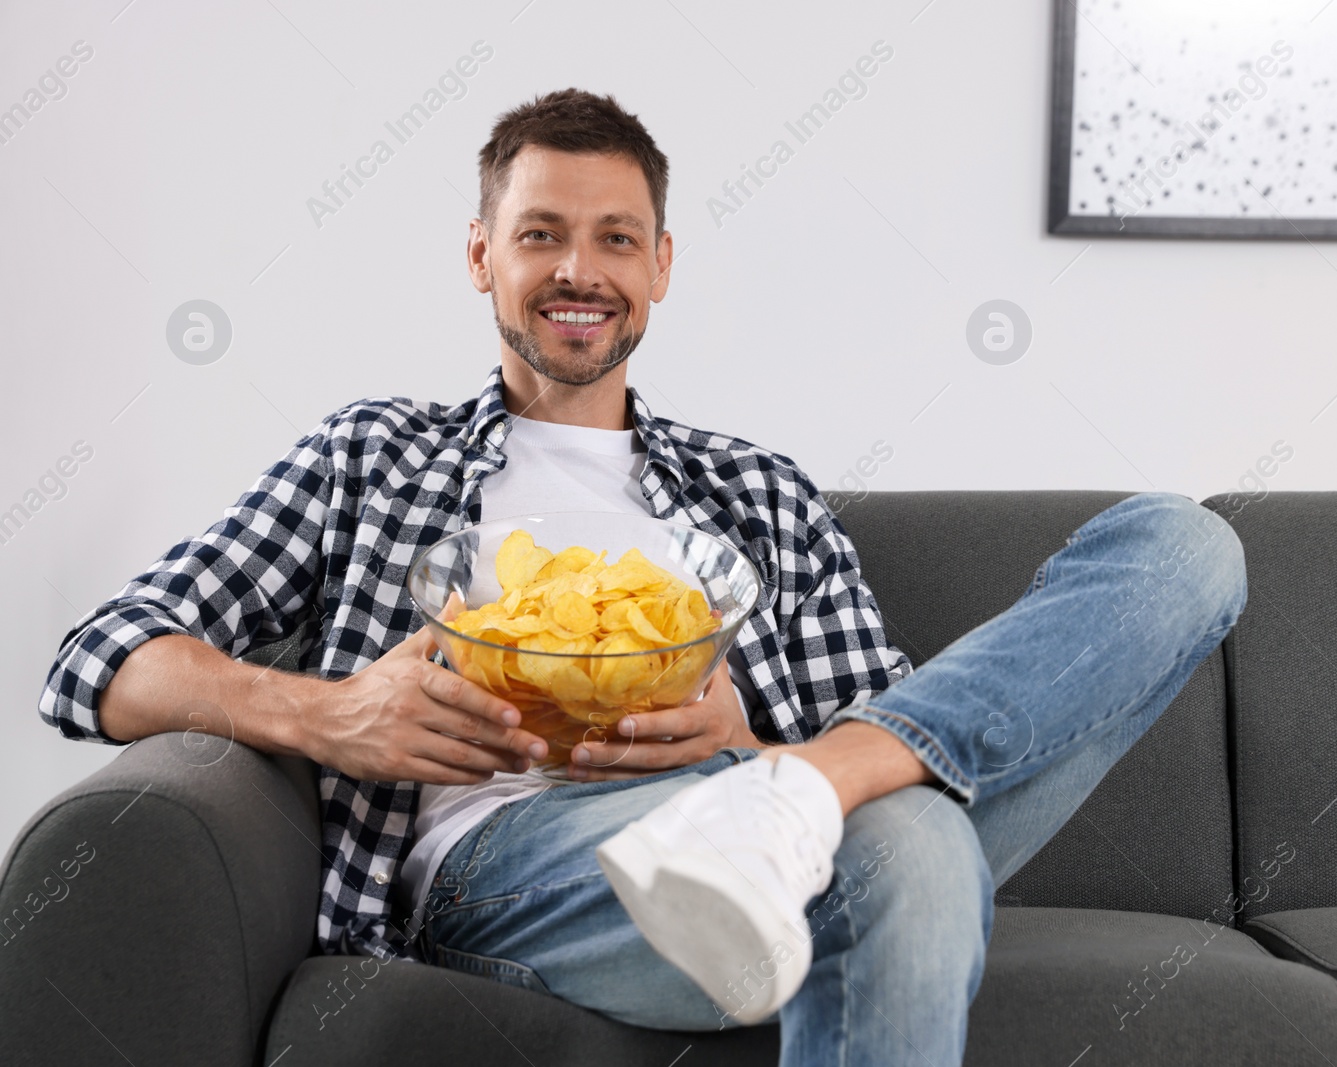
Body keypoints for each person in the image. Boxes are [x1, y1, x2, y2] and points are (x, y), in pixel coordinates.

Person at [40, 88, 1246, 1064]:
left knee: (1185, 545)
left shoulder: (758, 494)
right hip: (516, 862)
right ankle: (787, 811)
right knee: (912, 839)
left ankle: (780, 811)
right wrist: (331, 711)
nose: (581, 269)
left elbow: (903, 727)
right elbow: (99, 657)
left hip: (774, 817)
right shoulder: (373, 455)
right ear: (479, 256)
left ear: (661, 264)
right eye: (540, 234)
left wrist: (755, 751)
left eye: (616, 237)